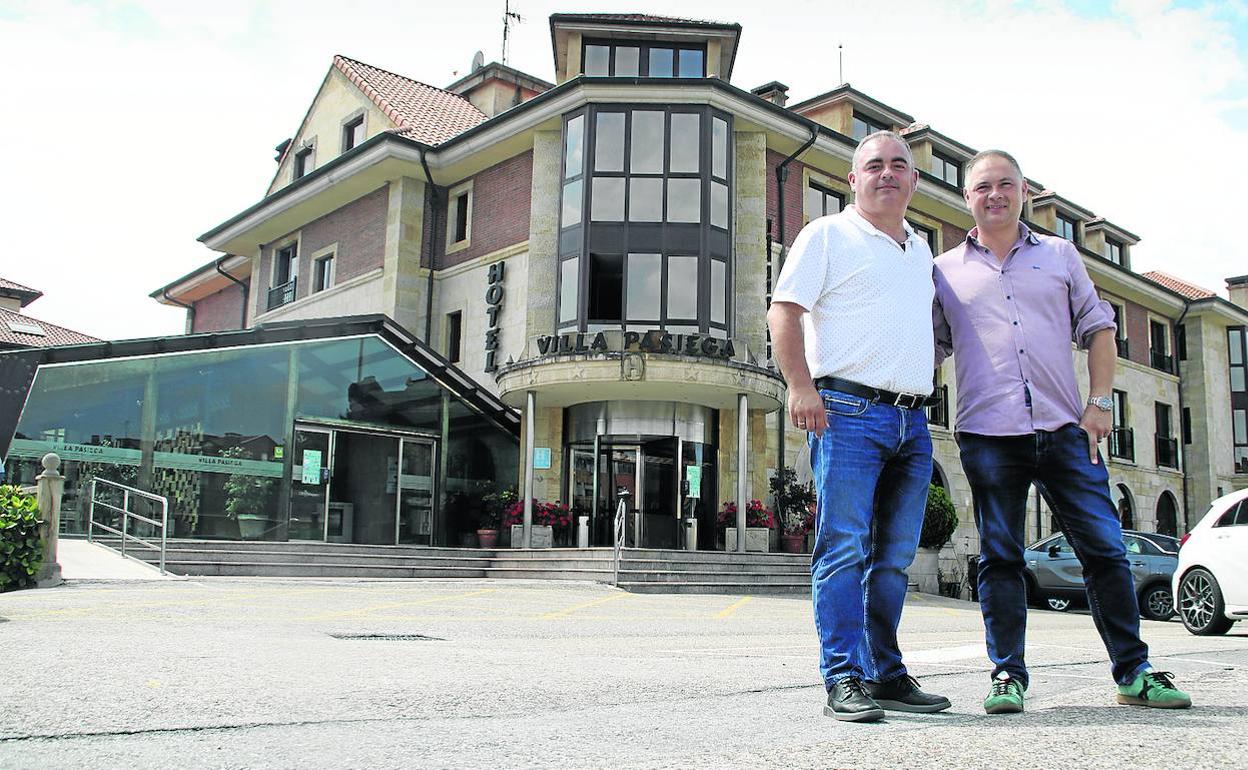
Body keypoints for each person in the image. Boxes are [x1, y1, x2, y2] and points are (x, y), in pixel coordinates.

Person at [933, 149, 1192, 713]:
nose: (995, 194)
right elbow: (927, 346)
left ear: (1024, 192)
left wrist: (1100, 404)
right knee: (1000, 557)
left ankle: (1135, 671)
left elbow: (1099, 328)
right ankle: (1007, 675)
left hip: (1064, 431)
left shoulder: (1059, 255)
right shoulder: (945, 270)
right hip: (986, 435)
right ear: (967, 197)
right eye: (983, 186)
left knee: (1104, 551)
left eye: (1006, 184)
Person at [767, 131, 950, 722]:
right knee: (842, 549)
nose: (888, 174)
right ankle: (843, 677)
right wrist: (800, 385)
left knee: (894, 558)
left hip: (913, 421)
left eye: (901, 165)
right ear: (853, 179)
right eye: (875, 165)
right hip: (845, 413)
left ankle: (886, 674)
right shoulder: (826, 234)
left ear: (914, 181)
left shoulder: (920, 251)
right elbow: (785, 310)